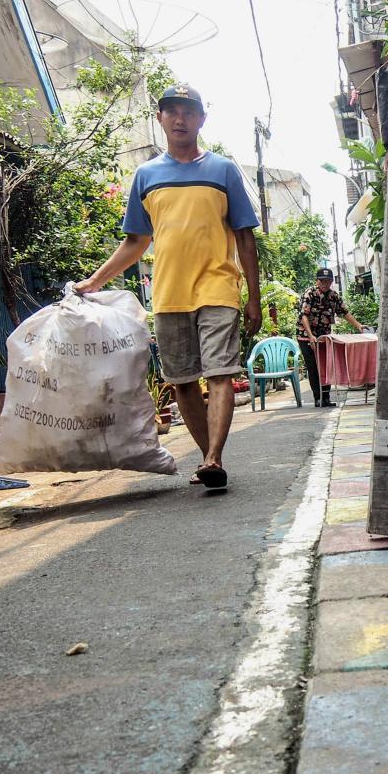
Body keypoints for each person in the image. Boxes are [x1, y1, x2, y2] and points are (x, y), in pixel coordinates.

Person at [76, 83, 261, 490]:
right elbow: (136, 242)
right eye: (172, 111)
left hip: (218, 288)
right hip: (169, 294)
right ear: (159, 118)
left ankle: (213, 457)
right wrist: (94, 281)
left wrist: (254, 298)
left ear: (201, 120)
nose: (180, 119)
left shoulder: (223, 170)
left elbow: (245, 238)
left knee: (220, 372)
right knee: (181, 380)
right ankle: (207, 457)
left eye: (189, 112)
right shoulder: (147, 175)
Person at [297, 267, 366, 408]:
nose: (325, 284)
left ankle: (326, 397)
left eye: (328, 281)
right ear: (317, 281)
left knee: (325, 366)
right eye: (322, 281)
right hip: (306, 336)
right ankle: (318, 398)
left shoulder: (334, 296)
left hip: (324, 337)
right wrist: (310, 336)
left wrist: (358, 326)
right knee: (313, 367)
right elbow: (304, 315)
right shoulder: (309, 293)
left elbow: (344, 313)